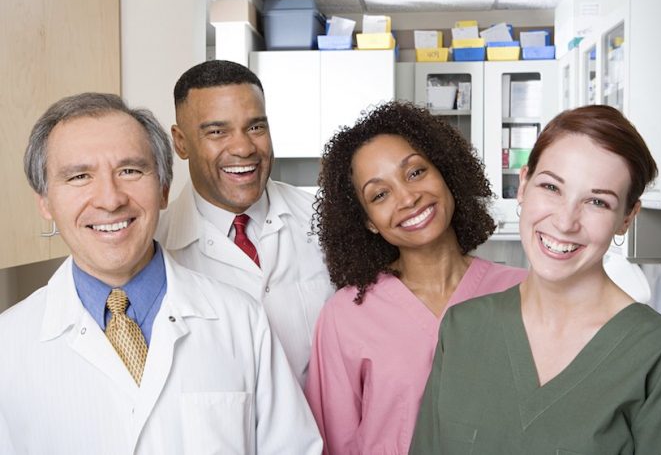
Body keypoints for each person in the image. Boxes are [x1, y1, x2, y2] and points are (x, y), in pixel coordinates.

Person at [0, 92, 322, 454]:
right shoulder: (8, 344)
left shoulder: (240, 319)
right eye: (79, 176)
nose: (110, 198)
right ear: (44, 201)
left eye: (130, 171)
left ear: (164, 188)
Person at [410, 105, 661, 454]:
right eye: (551, 187)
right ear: (523, 185)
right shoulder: (462, 329)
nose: (565, 222)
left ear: (627, 218)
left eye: (597, 201)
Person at [304, 101, 527, 454]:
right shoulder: (345, 316)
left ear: (445, 173)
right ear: (367, 222)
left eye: (415, 173)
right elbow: (334, 443)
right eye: (380, 194)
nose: (408, 198)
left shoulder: (523, 293)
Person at [157, 60, 334, 385]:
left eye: (256, 127)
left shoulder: (324, 220)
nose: (243, 147)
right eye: (217, 131)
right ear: (181, 143)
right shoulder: (156, 248)